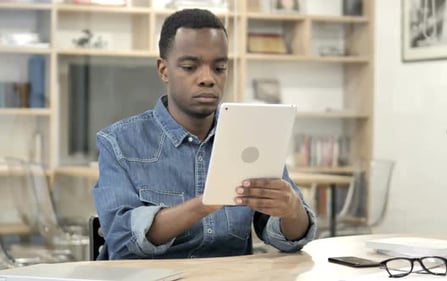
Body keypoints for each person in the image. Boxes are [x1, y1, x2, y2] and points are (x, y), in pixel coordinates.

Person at [92, 8, 317, 260]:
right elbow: (121, 240)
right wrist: (203, 205)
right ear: (163, 70)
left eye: (219, 68)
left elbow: (289, 239)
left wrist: (291, 210)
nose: (207, 79)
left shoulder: (251, 135)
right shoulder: (118, 142)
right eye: (190, 67)